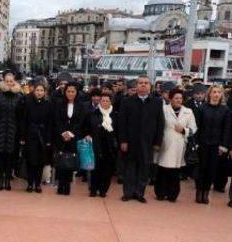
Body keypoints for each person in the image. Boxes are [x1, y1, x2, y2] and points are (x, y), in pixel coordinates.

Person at [118, 75, 165, 203]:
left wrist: (157, 142)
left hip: (147, 142)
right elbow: (121, 123)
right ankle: (128, 192)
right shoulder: (127, 101)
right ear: (136, 86)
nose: (143, 85)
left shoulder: (156, 102)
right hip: (130, 141)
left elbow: (160, 124)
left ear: (150, 86)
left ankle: (139, 193)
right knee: (129, 168)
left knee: (144, 168)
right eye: (140, 83)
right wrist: (123, 140)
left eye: (146, 83)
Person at [154, 89, 197, 202]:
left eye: (180, 98)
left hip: (179, 144)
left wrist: (184, 130)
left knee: (175, 171)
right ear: (171, 99)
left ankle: (172, 194)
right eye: (176, 98)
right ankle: (160, 193)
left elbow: (194, 128)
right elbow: (158, 126)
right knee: (163, 169)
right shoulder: (163, 110)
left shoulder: (188, 111)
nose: (178, 100)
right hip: (165, 143)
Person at [192, 85, 231, 204]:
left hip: (216, 145)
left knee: (211, 169)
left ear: (221, 95)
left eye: (219, 92)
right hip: (203, 143)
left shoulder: (225, 110)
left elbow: (226, 129)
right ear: (209, 94)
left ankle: (206, 193)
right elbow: (196, 127)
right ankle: (199, 192)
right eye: (214, 92)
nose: (216, 94)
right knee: (201, 169)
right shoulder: (202, 108)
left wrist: (223, 146)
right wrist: (196, 143)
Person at [54, 82, 87, 196]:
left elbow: (80, 122)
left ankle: (67, 185)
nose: (70, 93)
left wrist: (71, 133)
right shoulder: (59, 104)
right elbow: (57, 120)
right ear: (65, 92)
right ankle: (60, 184)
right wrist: (63, 133)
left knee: (70, 162)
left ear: (76, 93)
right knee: (61, 160)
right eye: (68, 91)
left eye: (73, 91)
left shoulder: (81, 105)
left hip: (74, 136)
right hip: (61, 137)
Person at [20, 82, 53, 193]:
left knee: (40, 161)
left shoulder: (48, 104)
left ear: (45, 92)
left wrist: (48, 139)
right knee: (30, 161)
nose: (39, 92)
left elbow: (50, 123)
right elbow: (24, 120)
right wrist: (23, 137)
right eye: (37, 90)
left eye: (41, 90)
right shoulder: (28, 103)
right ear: (34, 91)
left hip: (43, 136)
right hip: (30, 135)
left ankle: (38, 183)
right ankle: (29, 183)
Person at [0, 71, 23, 191]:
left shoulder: (19, 96)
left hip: (13, 130)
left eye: (11, 81)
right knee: (0, 154)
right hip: (0, 130)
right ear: (3, 81)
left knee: (10, 155)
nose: (9, 83)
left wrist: (20, 133)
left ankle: (8, 177)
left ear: (14, 82)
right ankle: (1, 178)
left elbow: (21, 116)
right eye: (7, 81)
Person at [84, 92, 118, 197]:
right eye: (103, 100)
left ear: (110, 102)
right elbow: (85, 127)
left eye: (107, 100)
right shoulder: (93, 113)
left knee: (107, 170)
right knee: (95, 169)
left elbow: (119, 130)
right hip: (96, 145)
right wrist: (87, 135)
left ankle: (103, 190)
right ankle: (93, 189)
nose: (105, 102)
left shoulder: (115, 115)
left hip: (110, 147)